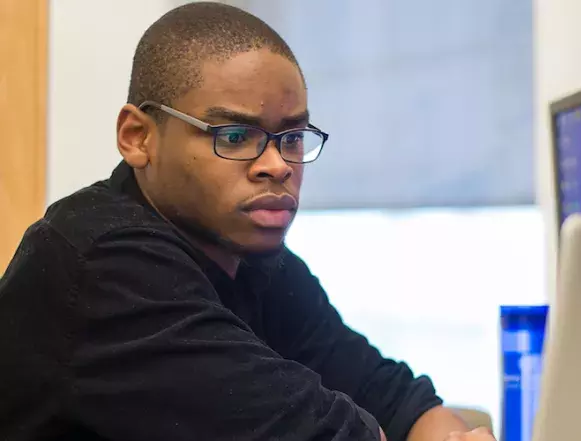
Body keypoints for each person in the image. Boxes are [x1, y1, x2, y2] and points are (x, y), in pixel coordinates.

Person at [0, 3, 495, 441]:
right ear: (137, 137)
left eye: (293, 137)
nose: (277, 165)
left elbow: (399, 402)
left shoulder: (254, 259)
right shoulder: (105, 264)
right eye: (235, 135)